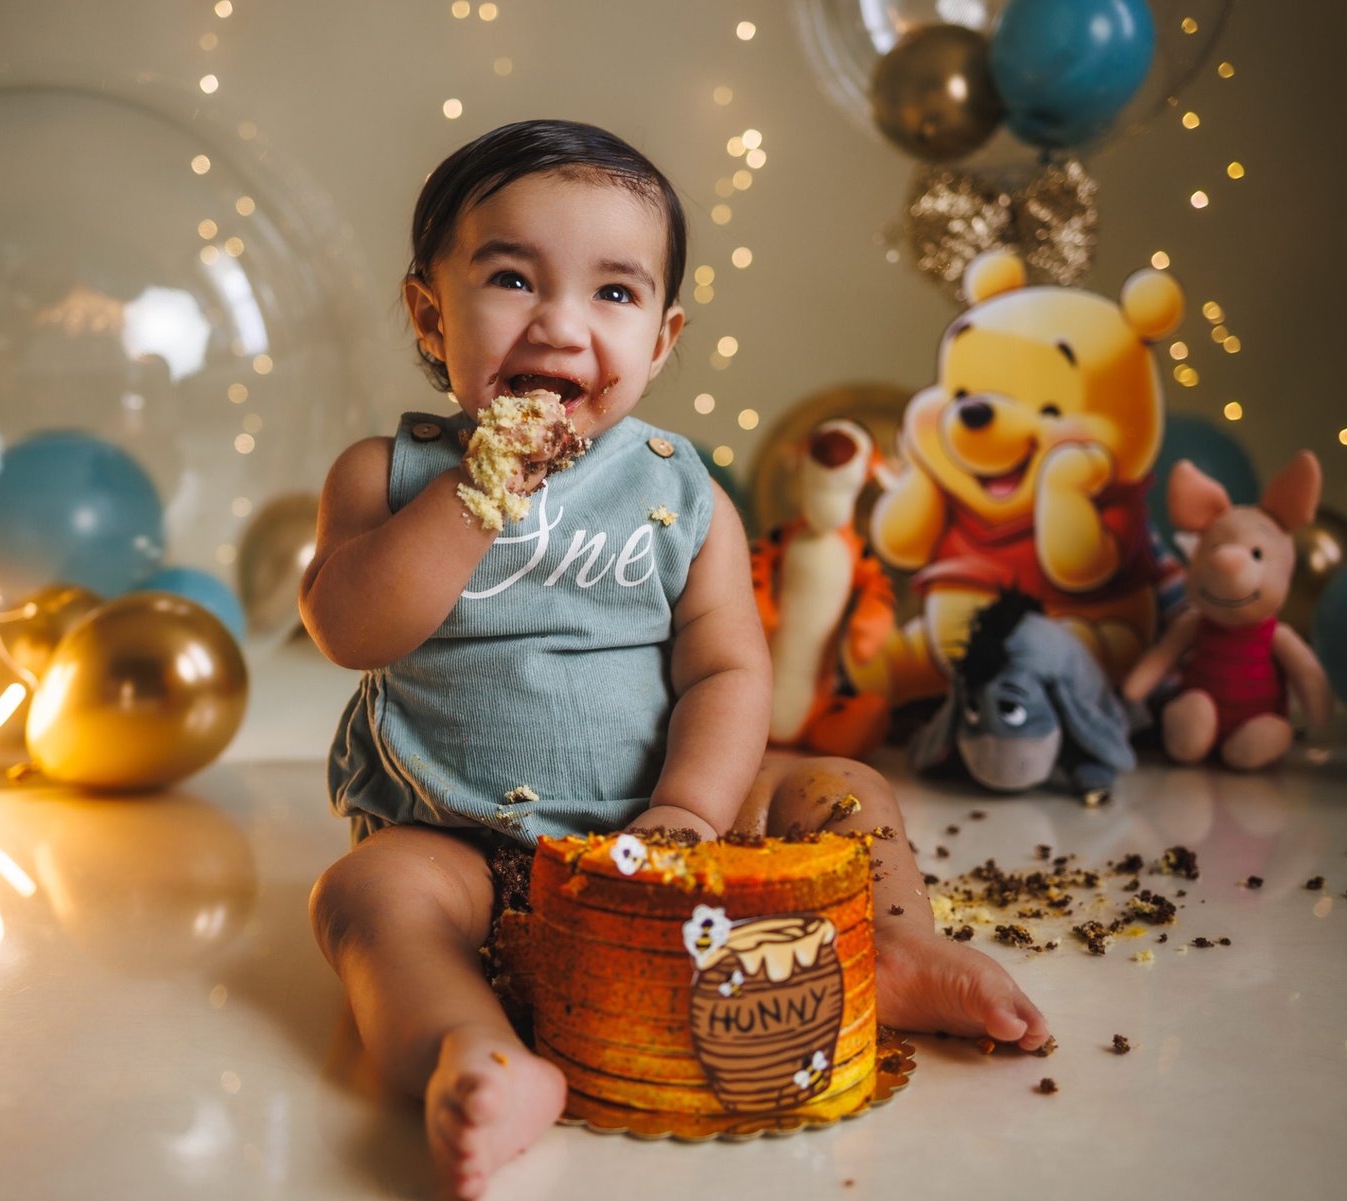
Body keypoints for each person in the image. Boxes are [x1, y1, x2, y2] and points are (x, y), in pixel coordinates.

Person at [301, 119, 1049, 1200]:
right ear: (431, 311)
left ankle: (882, 951)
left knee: (840, 786)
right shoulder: (388, 475)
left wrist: (692, 816)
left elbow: (727, 674)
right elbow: (351, 630)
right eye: (511, 278)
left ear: (660, 339)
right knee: (362, 897)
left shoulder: (681, 488)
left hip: (664, 822)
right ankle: (472, 1051)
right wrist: (480, 496)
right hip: (460, 841)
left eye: (613, 292)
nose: (561, 324)